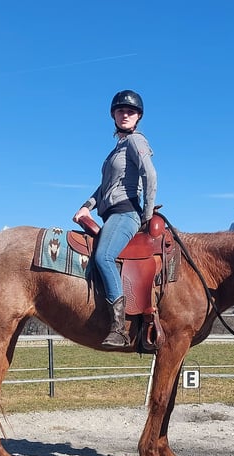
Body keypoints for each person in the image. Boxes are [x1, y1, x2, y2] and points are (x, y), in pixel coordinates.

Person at [73, 89, 158, 348]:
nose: (125, 114)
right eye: (121, 110)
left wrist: (147, 214)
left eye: (130, 111)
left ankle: (119, 327)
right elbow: (103, 189)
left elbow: (150, 176)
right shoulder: (116, 149)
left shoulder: (136, 142)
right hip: (110, 213)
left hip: (126, 212)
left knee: (103, 256)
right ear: (113, 115)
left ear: (138, 116)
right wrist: (86, 207)